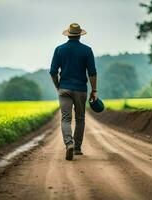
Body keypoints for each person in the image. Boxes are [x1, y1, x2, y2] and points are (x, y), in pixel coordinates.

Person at [49, 23, 97, 161]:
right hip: (81, 89)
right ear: (80, 35)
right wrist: (94, 90)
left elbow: (53, 72)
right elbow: (92, 73)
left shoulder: (59, 49)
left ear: (68, 34)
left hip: (64, 88)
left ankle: (69, 143)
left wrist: (58, 86)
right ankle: (76, 148)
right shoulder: (87, 50)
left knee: (65, 119)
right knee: (80, 119)